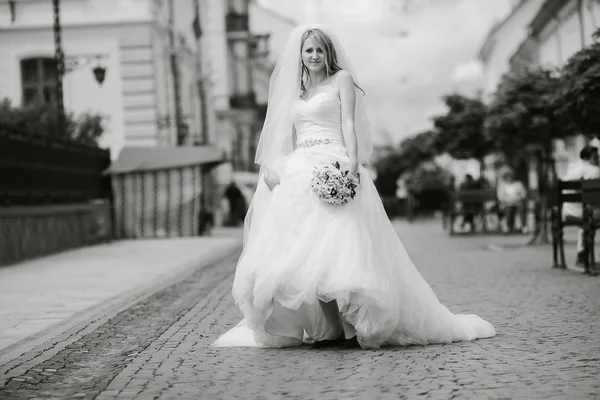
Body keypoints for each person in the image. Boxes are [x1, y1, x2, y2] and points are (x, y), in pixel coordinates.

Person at [212, 25, 495, 349]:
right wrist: (274, 168)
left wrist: (351, 162)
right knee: (300, 251)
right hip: (300, 168)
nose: (314, 55)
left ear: (328, 53)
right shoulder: (297, 91)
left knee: (339, 246)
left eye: (319, 50)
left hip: (334, 161)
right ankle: (325, 327)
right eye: (308, 51)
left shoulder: (341, 80)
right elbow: (284, 134)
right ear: (300, 56)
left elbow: (348, 121)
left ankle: (347, 325)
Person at [562, 145, 600, 265]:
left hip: (567, 210)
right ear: (588, 157)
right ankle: (583, 253)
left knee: (586, 220)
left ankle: (582, 254)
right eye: (596, 157)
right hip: (585, 212)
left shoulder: (572, 167)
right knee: (591, 216)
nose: (598, 159)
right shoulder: (594, 170)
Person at [496, 169, 527, 233]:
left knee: (521, 209)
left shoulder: (518, 184)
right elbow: (500, 197)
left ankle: (523, 226)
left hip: (518, 203)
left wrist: (517, 199)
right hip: (507, 204)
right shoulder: (502, 185)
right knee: (508, 209)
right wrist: (508, 201)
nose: (509, 178)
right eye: (508, 176)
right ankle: (507, 227)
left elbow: (524, 194)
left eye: (510, 176)